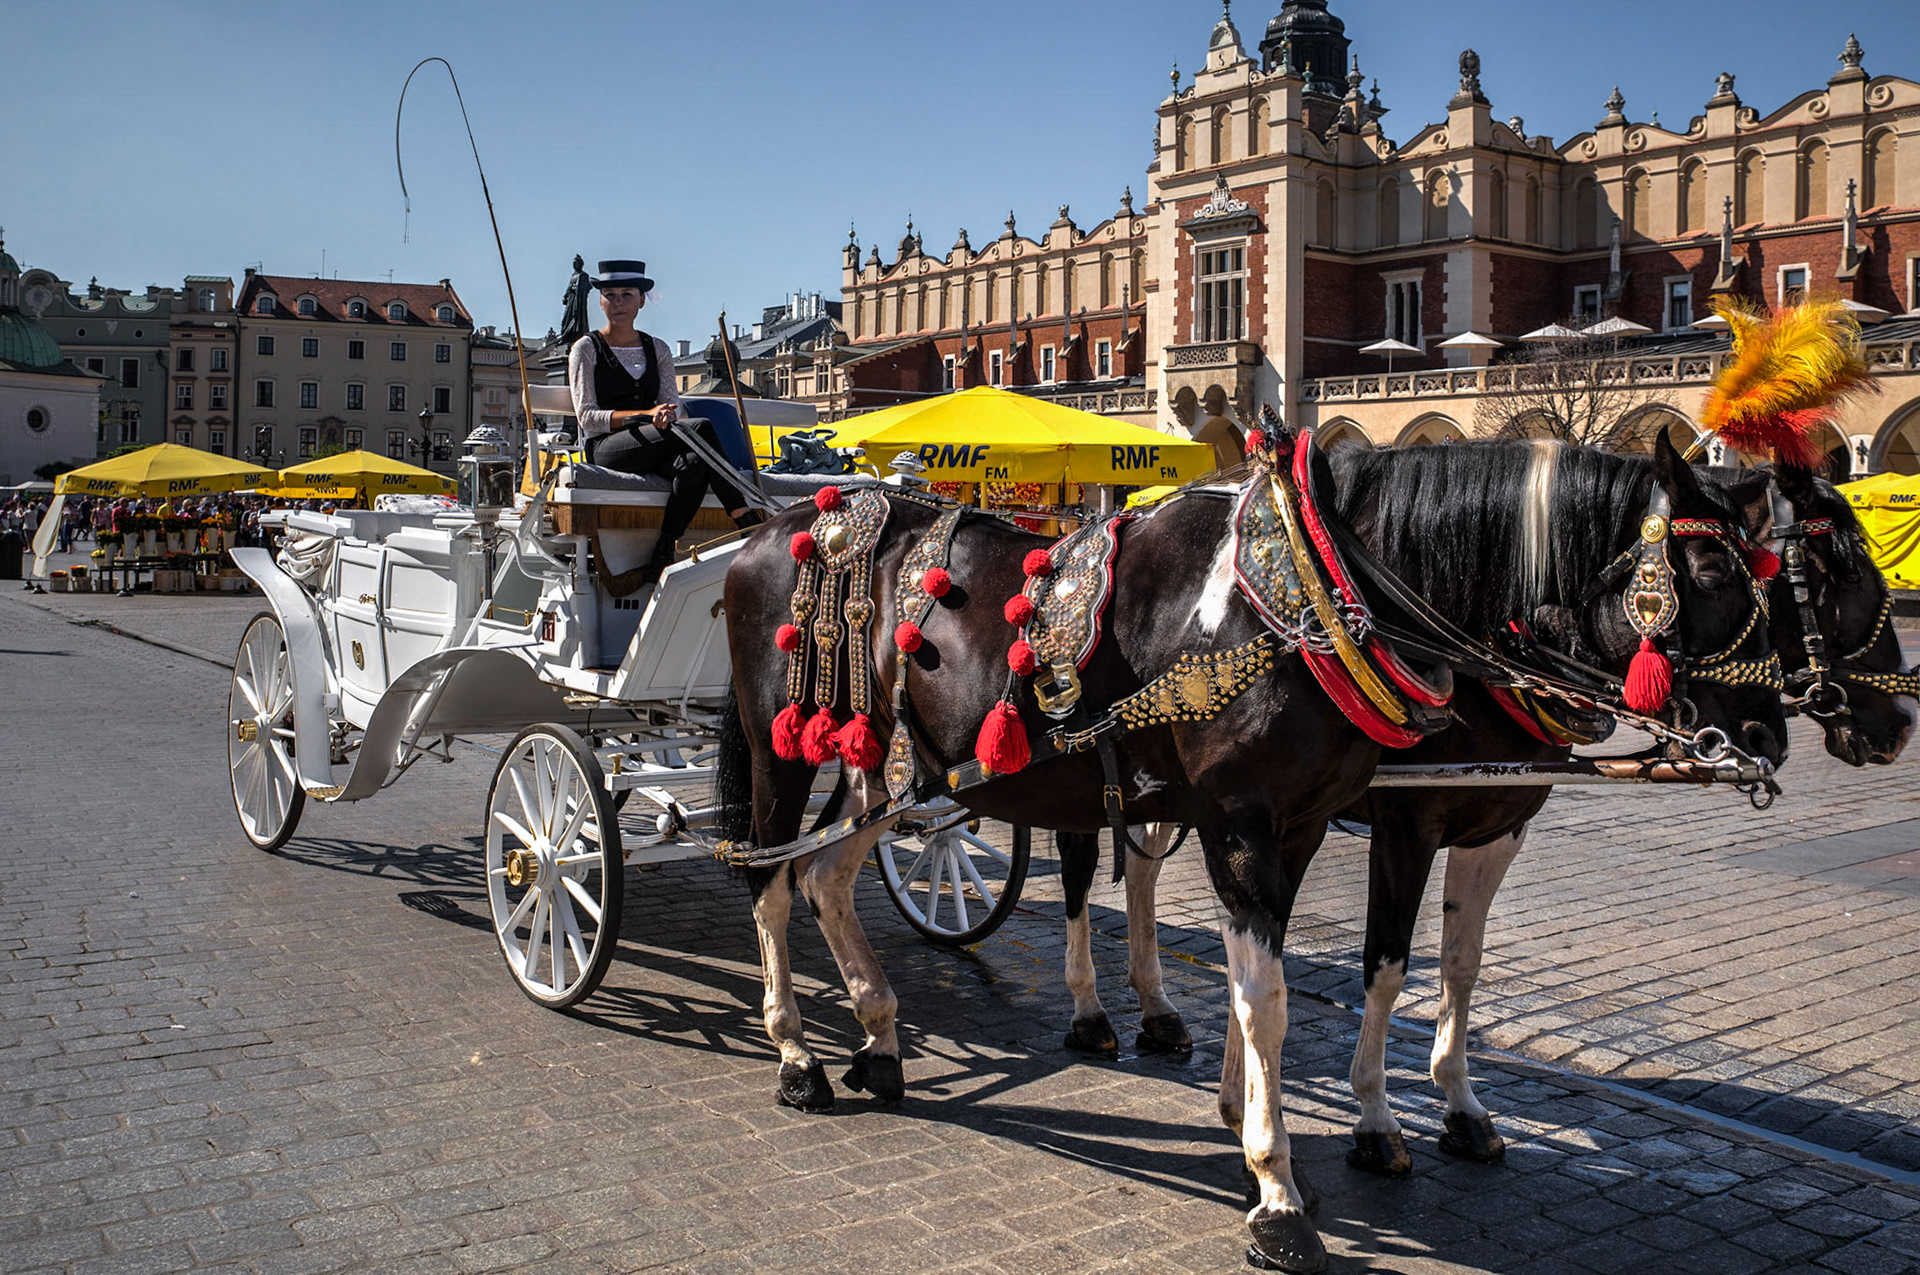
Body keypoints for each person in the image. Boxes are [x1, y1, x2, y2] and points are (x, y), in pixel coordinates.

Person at [568, 258, 761, 595]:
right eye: (610, 295)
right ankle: (744, 516)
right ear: (600, 301)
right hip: (608, 447)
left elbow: (670, 403)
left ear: (641, 300)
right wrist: (645, 415)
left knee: (694, 463)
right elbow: (587, 417)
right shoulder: (586, 348)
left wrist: (663, 416)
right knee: (701, 428)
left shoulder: (657, 349)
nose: (618, 303)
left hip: (655, 442)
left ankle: (663, 550)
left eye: (627, 295)